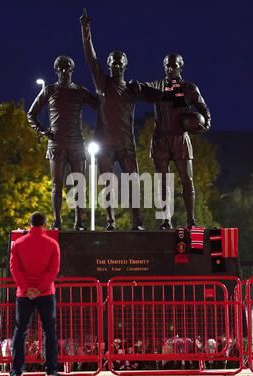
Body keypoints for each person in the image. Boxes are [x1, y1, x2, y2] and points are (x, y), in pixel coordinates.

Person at [80, 9, 167, 231]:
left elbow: (159, 95)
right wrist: (85, 30)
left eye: (119, 62)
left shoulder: (132, 89)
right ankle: (111, 221)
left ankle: (137, 222)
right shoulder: (102, 84)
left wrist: (149, 87)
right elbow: (91, 59)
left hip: (127, 144)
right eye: (112, 62)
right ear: (109, 66)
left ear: (125, 65)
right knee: (107, 183)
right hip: (105, 144)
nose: (116, 65)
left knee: (134, 184)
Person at [27, 56, 98, 231]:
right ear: (56, 70)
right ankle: (57, 221)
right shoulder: (49, 90)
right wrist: (43, 131)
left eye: (67, 67)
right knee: (57, 184)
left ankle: (79, 221)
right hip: (56, 144)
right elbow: (31, 114)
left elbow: (101, 107)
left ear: (73, 70)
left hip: (76, 143)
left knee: (79, 184)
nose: (64, 71)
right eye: (61, 68)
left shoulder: (80, 91)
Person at [147, 54, 211, 229]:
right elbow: (140, 89)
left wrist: (205, 125)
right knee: (162, 181)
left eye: (173, 66)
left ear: (180, 67)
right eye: (167, 65)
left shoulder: (189, 88)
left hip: (180, 138)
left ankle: (191, 219)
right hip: (160, 139)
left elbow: (203, 108)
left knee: (187, 180)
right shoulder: (157, 86)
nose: (170, 69)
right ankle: (165, 219)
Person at [9, 212, 61, 376]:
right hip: (46, 293)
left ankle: (17, 371)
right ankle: (50, 371)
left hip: (23, 295)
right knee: (49, 331)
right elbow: (53, 270)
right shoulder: (52, 244)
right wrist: (40, 289)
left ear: (29, 224)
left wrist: (26, 289)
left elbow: (14, 269)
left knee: (20, 330)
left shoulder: (17, 244)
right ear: (44, 224)